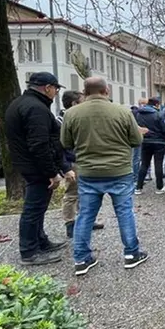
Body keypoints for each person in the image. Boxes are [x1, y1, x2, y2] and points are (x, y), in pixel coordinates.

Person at [60, 77, 148, 276]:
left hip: (89, 172)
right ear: (106, 91)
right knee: (124, 212)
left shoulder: (71, 114)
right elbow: (136, 140)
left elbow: (66, 142)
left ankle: (81, 259)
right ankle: (131, 254)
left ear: (85, 91)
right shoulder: (122, 111)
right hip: (119, 171)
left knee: (85, 215)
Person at [4, 72, 71, 266]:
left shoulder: (22, 103)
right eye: (56, 89)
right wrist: (52, 172)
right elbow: (40, 144)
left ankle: (40, 241)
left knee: (38, 208)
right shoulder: (36, 109)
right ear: (47, 87)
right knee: (33, 209)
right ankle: (29, 251)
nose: (56, 93)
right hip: (36, 167)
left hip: (28, 164)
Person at [56, 90, 104, 238]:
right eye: (82, 102)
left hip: (81, 160)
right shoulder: (60, 122)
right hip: (72, 162)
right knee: (71, 193)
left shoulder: (75, 118)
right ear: (74, 104)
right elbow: (60, 148)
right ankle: (70, 224)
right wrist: (66, 167)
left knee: (84, 193)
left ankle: (85, 221)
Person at [135, 98, 165, 194]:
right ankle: (159, 187)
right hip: (159, 141)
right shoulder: (158, 114)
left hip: (145, 141)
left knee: (144, 164)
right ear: (157, 104)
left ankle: (138, 187)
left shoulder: (139, 114)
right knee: (158, 164)